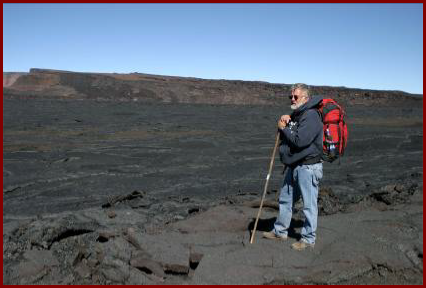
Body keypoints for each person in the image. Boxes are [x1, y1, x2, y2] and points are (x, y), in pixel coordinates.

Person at [263, 83, 323, 251]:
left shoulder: (311, 115)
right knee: (285, 199)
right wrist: (288, 122)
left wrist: (283, 129)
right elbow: (297, 133)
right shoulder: (299, 114)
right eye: (291, 96)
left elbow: (300, 141)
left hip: (308, 167)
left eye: (295, 96)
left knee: (309, 205)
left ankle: (308, 239)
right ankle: (280, 231)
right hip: (296, 165)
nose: (292, 99)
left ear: (306, 98)